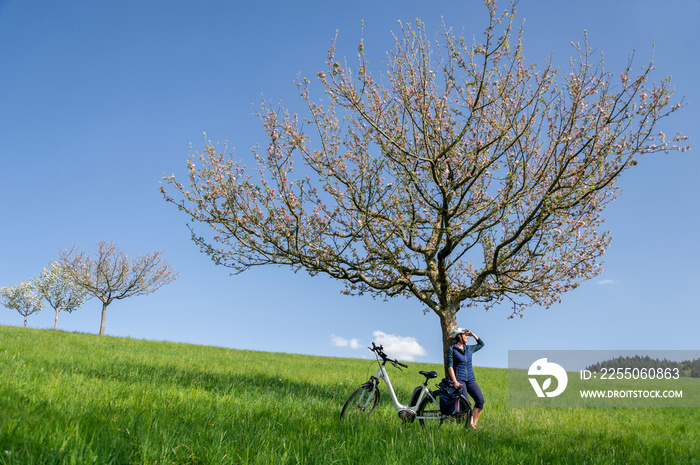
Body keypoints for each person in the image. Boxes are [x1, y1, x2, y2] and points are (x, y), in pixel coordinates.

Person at [446, 327, 485, 429]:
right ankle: (471, 425)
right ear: (459, 336)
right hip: (460, 380)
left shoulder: (469, 349)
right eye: (465, 335)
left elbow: (481, 344)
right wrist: (455, 381)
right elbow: (450, 366)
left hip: (471, 379)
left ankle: (474, 423)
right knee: (467, 404)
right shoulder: (452, 349)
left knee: (480, 400)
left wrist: (474, 335)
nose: (467, 337)